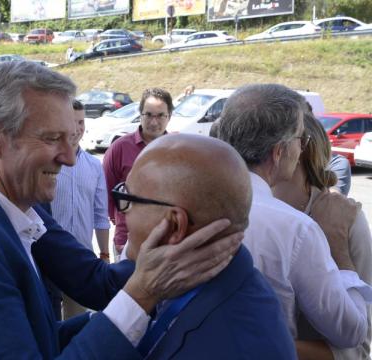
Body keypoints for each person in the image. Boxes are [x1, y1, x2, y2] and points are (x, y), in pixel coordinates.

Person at [0, 61, 242, 358]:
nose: (70, 157)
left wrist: (143, 292)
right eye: (51, 139)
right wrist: (141, 295)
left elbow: (36, 341)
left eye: (71, 139)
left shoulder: (11, 214)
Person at [215, 83, 371, 349]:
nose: (301, 149)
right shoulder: (296, 229)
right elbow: (351, 332)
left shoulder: (184, 202)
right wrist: (340, 253)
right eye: (300, 138)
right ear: (279, 152)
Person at [120, 133, 295, 359]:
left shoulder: (235, 341)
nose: (123, 213)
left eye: (129, 200)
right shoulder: (186, 282)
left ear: (175, 225)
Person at [273, 112, 372, 360]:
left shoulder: (346, 217)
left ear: (300, 149)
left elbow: (358, 347)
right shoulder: (247, 208)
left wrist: (263, 342)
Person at [51, 99, 110, 319]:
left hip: (80, 260)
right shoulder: (48, 163)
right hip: (48, 258)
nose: (77, 129)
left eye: (82, 122)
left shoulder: (95, 166)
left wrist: (104, 254)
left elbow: (100, 214)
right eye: (72, 122)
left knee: (76, 321)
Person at [103, 87, 173, 256]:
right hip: (127, 243)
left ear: (169, 116)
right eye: (148, 115)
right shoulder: (120, 147)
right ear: (140, 114)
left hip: (165, 243)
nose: (154, 122)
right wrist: (121, 220)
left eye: (160, 115)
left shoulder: (176, 150)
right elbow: (105, 191)